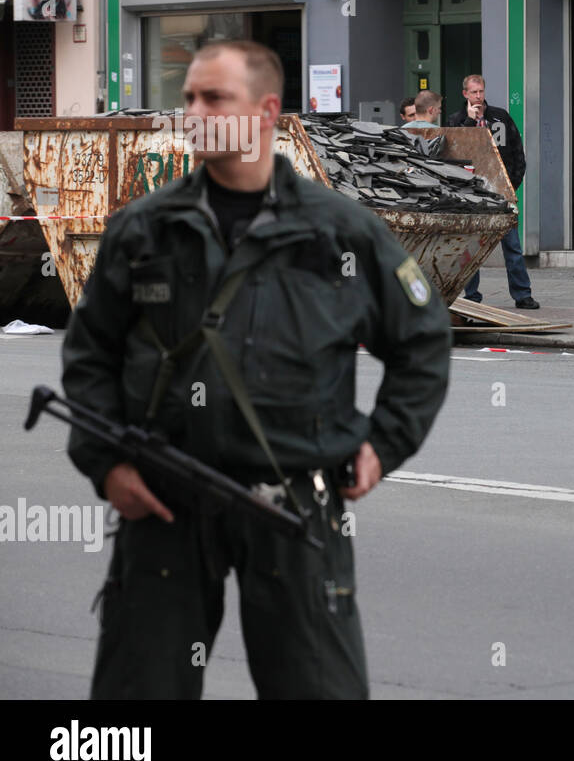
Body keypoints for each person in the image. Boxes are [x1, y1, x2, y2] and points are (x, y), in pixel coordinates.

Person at [61, 40, 453, 699]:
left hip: (294, 509)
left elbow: (422, 343)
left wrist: (383, 444)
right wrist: (107, 463)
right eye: (188, 97)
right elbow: (90, 354)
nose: (193, 111)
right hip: (163, 508)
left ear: (266, 110)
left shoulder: (340, 232)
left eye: (213, 98)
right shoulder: (144, 229)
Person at [446, 74, 538, 309]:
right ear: (465, 94)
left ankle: (522, 294)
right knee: (470, 248)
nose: (478, 96)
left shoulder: (500, 117)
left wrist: (511, 185)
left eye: (481, 92)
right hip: (473, 195)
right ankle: (472, 295)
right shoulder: (456, 120)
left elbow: (517, 151)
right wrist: (469, 122)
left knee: (512, 247)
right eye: (473, 92)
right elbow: (453, 154)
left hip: (501, 193)